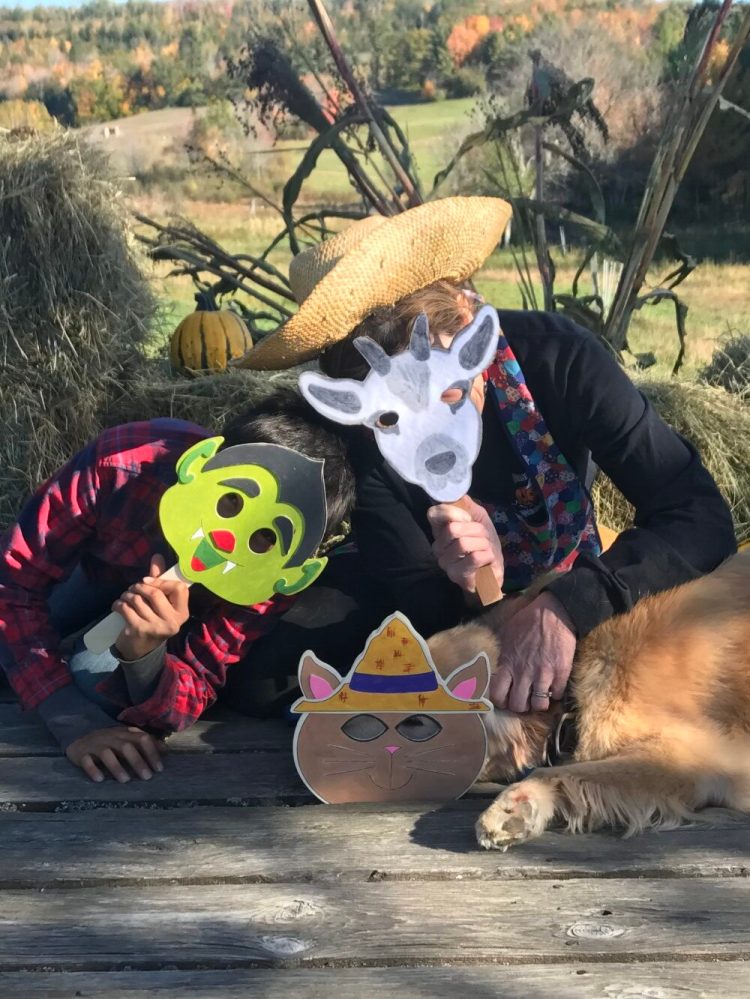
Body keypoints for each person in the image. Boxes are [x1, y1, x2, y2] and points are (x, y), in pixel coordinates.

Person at [238, 197, 738, 716]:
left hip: (575, 575)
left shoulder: (561, 360)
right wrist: (481, 594)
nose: (427, 427)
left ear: (468, 321)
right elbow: (412, 590)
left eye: (449, 394)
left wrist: (569, 605)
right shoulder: (362, 433)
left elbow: (698, 515)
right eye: (391, 417)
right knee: (268, 676)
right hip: (464, 613)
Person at [0, 390, 355, 783]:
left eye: (263, 538)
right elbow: (13, 584)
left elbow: (195, 684)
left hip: (177, 619)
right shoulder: (122, 465)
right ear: (201, 464)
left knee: (93, 678)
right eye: (231, 503)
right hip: (93, 570)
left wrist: (145, 656)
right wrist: (69, 717)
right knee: (19, 644)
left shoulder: (275, 570)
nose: (227, 539)